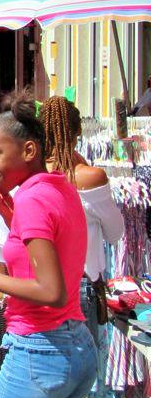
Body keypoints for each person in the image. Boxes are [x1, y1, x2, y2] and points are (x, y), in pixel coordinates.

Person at [0, 97, 96, 398]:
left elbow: (50, 290)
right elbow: (48, 253)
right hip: (76, 346)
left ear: (29, 151)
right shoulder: (60, 186)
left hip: (39, 350)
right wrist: (9, 214)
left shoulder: (32, 199)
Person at [40, 96, 123, 348]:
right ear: (78, 131)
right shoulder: (90, 177)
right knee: (85, 379)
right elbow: (115, 232)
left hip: (36, 286)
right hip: (80, 284)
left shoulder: (30, 175)